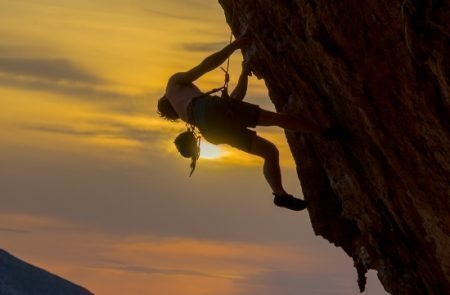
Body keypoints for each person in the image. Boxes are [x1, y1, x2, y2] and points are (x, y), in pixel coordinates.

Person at [157, 35, 344, 211]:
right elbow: (205, 66)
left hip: (211, 132)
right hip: (213, 111)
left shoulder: (187, 114)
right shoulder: (173, 85)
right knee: (277, 119)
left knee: (270, 152)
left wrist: (244, 73)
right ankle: (324, 131)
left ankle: (279, 193)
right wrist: (236, 45)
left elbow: (235, 102)